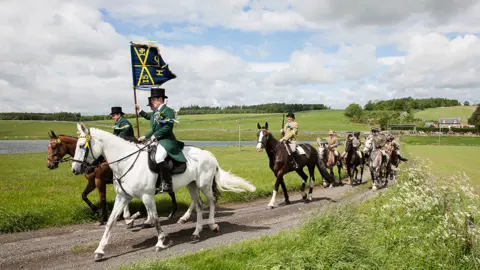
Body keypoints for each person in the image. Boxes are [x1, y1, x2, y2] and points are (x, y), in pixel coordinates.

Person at [138, 88, 185, 193]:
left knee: (159, 157)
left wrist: (155, 135)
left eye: (153, 99)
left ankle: (168, 184)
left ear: (160, 99)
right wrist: (145, 137)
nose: (152, 102)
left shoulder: (168, 111)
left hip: (167, 141)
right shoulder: (157, 112)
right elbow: (155, 128)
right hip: (158, 139)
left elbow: (167, 127)